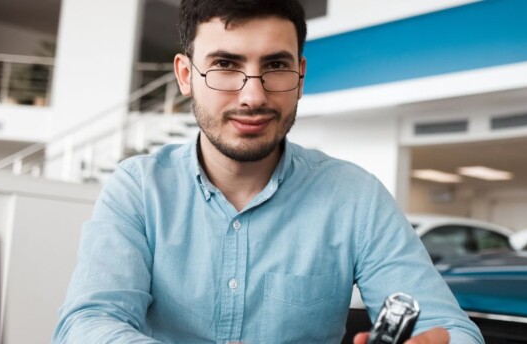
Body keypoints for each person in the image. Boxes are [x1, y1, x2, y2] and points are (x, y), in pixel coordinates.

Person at [53, 0, 484, 343]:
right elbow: (87, 324)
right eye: (225, 65)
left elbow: (455, 330)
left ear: (300, 74)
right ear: (186, 75)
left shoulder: (356, 197)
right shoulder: (140, 188)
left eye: (275, 66)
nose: (253, 95)